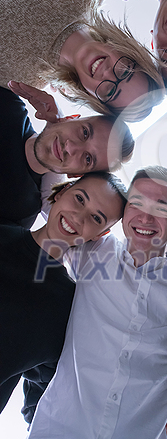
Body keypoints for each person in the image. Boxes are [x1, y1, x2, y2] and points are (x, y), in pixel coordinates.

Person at [21, 166, 167, 439]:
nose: (146, 217)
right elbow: (53, 198)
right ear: (123, 213)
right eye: (137, 204)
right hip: (58, 436)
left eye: (161, 208)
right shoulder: (93, 250)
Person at [1, 0, 164, 122]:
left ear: (92, 97)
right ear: (131, 51)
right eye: (125, 70)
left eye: (110, 92)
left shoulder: (20, 79)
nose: (108, 73)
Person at [0, 172, 126, 423]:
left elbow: (45, 395)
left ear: (98, 235)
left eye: (96, 218)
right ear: (60, 192)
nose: (78, 217)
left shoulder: (68, 309)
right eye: (80, 198)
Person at [0, 87, 133, 229]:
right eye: (85, 132)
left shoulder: (22, 213)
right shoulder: (8, 105)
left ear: (75, 174)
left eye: (88, 159)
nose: (70, 147)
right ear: (69, 118)